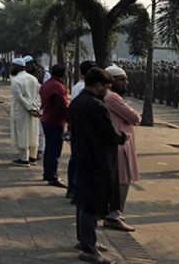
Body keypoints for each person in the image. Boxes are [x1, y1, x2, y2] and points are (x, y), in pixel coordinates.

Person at [70, 68, 128, 264]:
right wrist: (122, 137)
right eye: (106, 87)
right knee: (91, 204)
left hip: (82, 155)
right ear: (99, 85)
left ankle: (85, 240)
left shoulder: (77, 102)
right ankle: (89, 248)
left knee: (83, 201)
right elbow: (108, 133)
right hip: (96, 159)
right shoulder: (95, 105)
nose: (107, 91)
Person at [103, 65, 140, 232]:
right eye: (122, 79)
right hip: (120, 146)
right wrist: (136, 115)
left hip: (121, 144)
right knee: (121, 181)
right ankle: (113, 215)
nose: (126, 82)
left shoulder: (112, 96)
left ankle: (114, 212)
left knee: (122, 180)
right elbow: (134, 117)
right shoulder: (112, 97)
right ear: (111, 81)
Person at [67, 61, 98, 202]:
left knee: (75, 159)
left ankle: (72, 189)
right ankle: (75, 190)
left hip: (76, 127)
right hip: (82, 129)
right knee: (80, 161)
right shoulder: (84, 89)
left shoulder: (76, 86)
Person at [39, 64, 69, 187]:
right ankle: (53, 176)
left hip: (46, 118)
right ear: (63, 74)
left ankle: (47, 172)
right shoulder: (58, 87)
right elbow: (63, 106)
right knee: (55, 150)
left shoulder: (47, 84)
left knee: (49, 148)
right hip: (55, 121)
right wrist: (70, 120)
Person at [9, 58, 42, 166]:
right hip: (33, 111)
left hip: (21, 111)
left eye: (12, 66)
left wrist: (29, 108)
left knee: (22, 133)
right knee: (33, 133)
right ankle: (32, 157)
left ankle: (24, 159)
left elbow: (20, 98)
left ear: (18, 67)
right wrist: (34, 107)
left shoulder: (16, 80)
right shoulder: (33, 79)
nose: (11, 68)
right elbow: (39, 95)